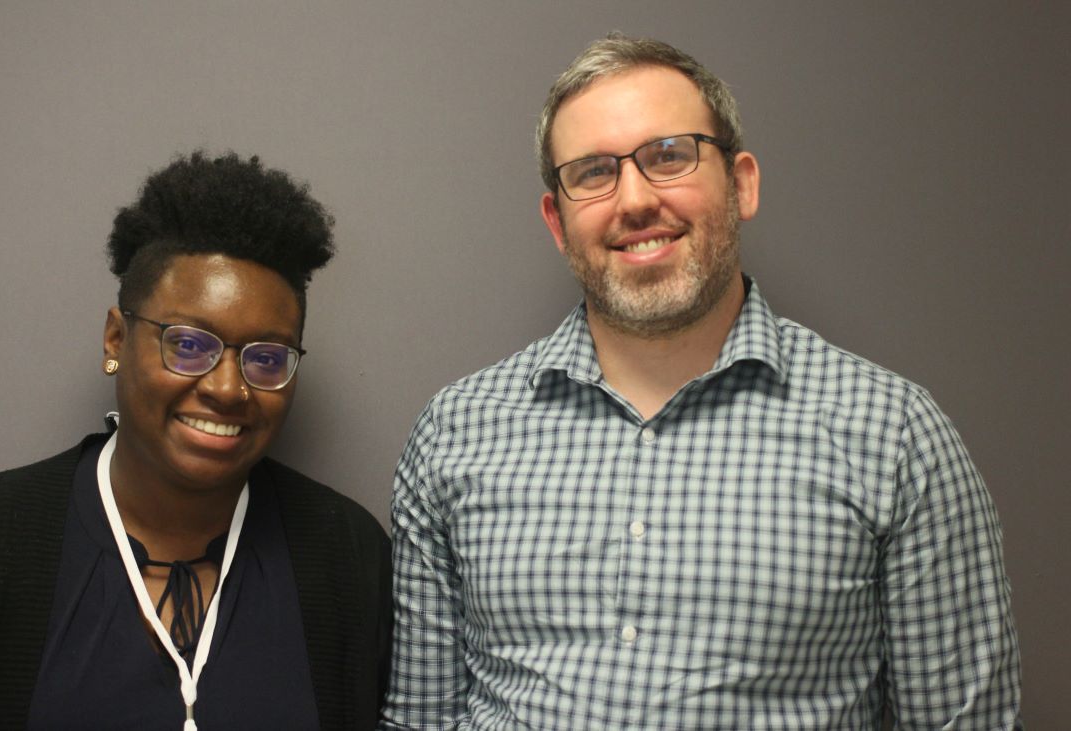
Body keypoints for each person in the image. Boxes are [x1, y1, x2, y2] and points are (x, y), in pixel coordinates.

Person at [380, 34, 1022, 729]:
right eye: (594, 171)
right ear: (557, 223)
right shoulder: (455, 432)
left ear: (741, 182)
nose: (633, 200)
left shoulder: (894, 435)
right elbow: (420, 718)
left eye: (668, 156)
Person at [0, 151, 390, 729]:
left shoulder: (349, 558)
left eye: (267, 357)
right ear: (116, 340)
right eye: (189, 344)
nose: (227, 389)